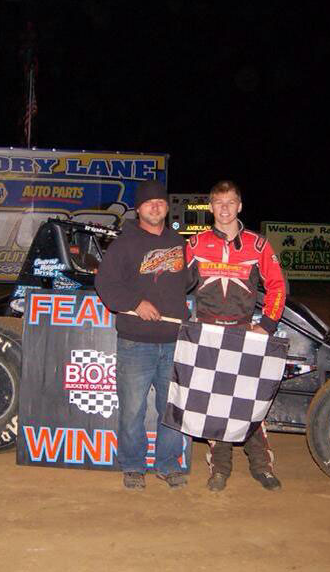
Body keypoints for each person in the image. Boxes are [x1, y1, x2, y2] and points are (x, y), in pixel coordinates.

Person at [186, 180, 287, 492]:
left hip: (244, 332)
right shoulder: (195, 243)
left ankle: (262, 466)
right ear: (211, 207)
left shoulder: (258, 245)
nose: (225, 209)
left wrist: (266, 324)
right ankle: (220, 468)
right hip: (207, 332)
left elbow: (277, 285)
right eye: (219, 203)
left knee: (249, 401)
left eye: (231, 202)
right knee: (214, 403)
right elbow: (176, 285)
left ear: (240, 206)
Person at [95, 180, 190, 490]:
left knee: (171, 409)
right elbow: (105, 284)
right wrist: (136, 303)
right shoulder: (124, 244)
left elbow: (193, 281)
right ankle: (133, 465)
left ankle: (168, 464)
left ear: (167, 207)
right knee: (133, 409)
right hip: (135, 343)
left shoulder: (180, 243)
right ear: (139, 209)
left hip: (174, 342)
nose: (155, 206)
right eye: (149, 202)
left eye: (160, 202)